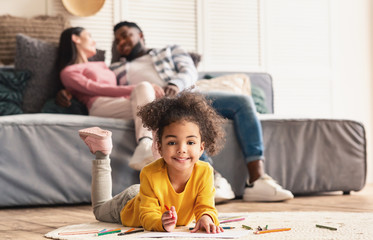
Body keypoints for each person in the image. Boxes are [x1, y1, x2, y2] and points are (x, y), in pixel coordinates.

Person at [57, 22, 294, 202]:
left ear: (140, 35)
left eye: (126, 35)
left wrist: (175, 87)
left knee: (242, 101)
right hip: (159, 105)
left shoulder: (170, 51)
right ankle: (213, 180)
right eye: (117, 40)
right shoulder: (115, 68)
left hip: (187, 93)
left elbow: (188, 71)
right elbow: (102, 90)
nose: (121, 42)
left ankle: (258, 179)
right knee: (176, 118)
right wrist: (68, 92)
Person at [78, 92, 225, 232]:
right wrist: (160, 222)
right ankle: (102, 153)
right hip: (129, 204)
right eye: (172, 143)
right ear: (159, 147)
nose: (182, 149)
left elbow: (205, 206)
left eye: (190, 142)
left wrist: (206, 217)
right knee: (99, 209)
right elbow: (147, 216)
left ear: (201, 148)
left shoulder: (205, 171)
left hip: (149, 193)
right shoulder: (149, 173)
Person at [56, 27, 191, 171]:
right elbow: (95, 88)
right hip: (99, 104)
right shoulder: (68, 72)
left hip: (122, 102)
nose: (94, 41)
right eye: (89, 36)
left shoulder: (103, 66)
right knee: (146, 89)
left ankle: (151, 154)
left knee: (157, 106)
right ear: (75, 38)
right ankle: (150, 150)